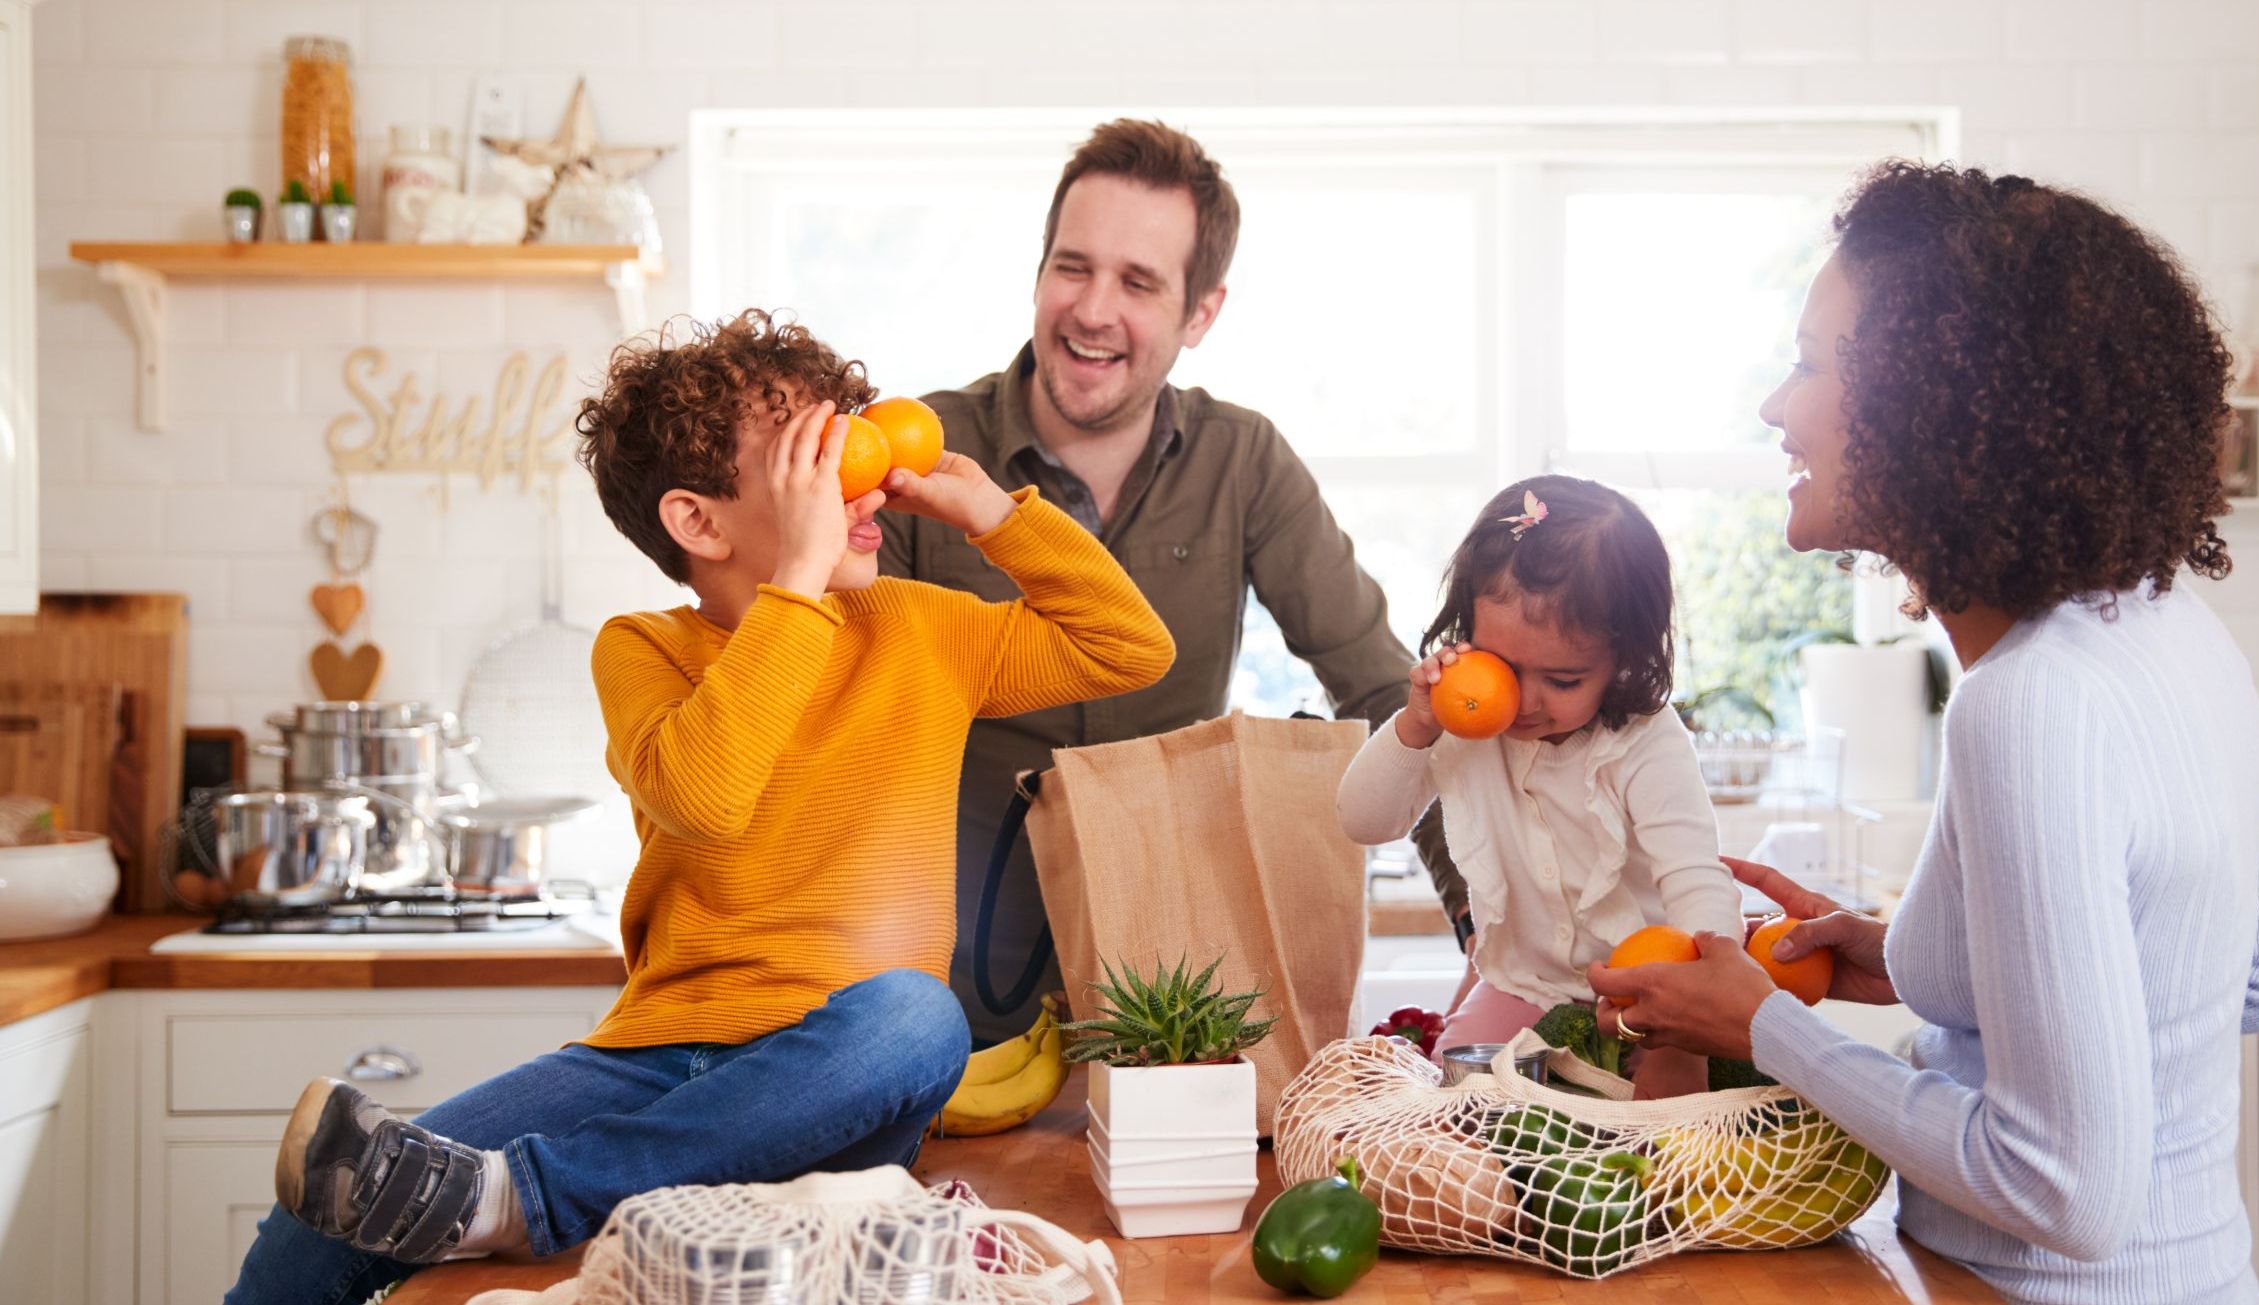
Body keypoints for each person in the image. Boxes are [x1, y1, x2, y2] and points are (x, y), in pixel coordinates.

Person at [224, 311, 1174, 1304]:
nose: (860, 478)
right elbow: (707, 794)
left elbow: (1127, 649)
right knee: (313, 1219)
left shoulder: (922, 630)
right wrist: (800, 580)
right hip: (654, 1062)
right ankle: (529, 1190)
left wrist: (991, 512)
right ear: (699, 523)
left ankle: (525, 1197)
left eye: (849, 435)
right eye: (816, 457)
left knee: (919, 1018)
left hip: (835, 1075)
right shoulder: (643, 648)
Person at [1584, 163, 2259, 1303]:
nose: (1775, 408)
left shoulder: (2026, 704)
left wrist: (1768, 1028)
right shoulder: (2168, 624)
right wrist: (1950, 962)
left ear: (1931, 407)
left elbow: (2062, 1195)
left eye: (1811, 365)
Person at [882, 118, 1458, 1041]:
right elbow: (837, 720)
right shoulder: (922, 453)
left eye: (1139, 281)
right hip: (941, 985)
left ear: (1201, 313)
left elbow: (1393, 695)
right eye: (1073, 267)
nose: (1094, 309)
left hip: (1170, 990)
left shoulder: (1245, 462)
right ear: (1039, 274)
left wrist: (1485, 931)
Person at [1338, 475, 1741, 1099]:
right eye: (1504, 665)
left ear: (1624, 659)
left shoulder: (1646, 742)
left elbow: (1696, 884)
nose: (1524, 702)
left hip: (1653, 991)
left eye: (1562, 678)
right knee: (1455, 1106)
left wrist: (1689, 1031)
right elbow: (1365, 822)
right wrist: (1415, 724)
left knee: (1663, 1128)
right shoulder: (1459, 718)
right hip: (1523, 983)